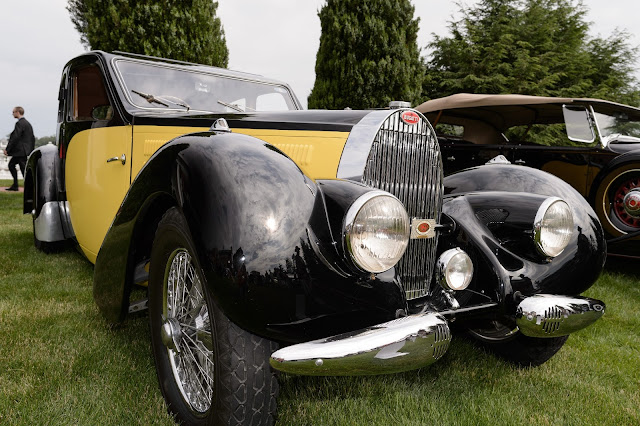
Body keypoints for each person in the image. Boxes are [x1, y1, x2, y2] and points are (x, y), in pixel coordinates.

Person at [4, 106, 35, 191]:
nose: (12, 114)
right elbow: (32, 138)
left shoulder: (19, 123)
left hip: (20, 151)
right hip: (24, 151)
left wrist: (8, 149)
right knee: (21, 168)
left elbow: (15, 137)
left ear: (18, 112)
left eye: (13, 112)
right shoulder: (27, 123)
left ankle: (18, 186)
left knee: (14, 166)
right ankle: (24, 186)